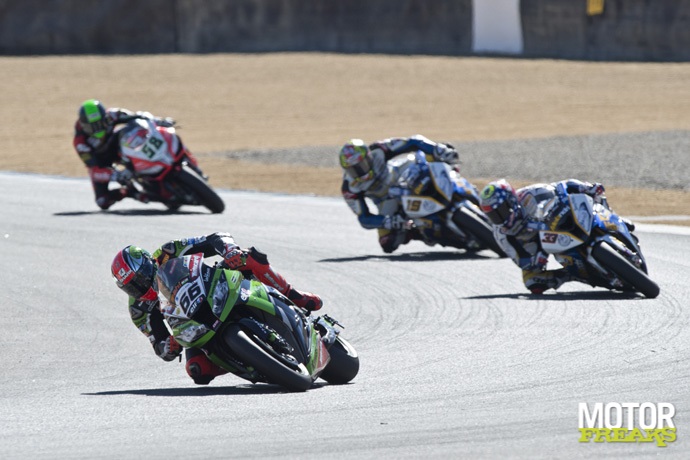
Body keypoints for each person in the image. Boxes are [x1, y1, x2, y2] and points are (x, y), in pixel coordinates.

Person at [110, 232, 323, 385]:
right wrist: (170, 347)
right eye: (131, 286)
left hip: (212, 287)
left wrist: (229, 250)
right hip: (192, 326)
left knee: (248, 257)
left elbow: (213, 239)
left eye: (139, 279)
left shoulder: (168, 252)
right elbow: (159, 345)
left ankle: (294, 295)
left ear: (148, 263)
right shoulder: (139, 310)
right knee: (197, 371)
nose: (139, 287)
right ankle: (254, 364)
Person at [479, 178, 634, 294]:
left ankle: (614, 219)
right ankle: (573, 275)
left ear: (511, 200)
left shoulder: (529, 194)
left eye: (502, 210)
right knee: (532, 281)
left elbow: (561, 186)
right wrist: (535, 261)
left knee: (595, 198)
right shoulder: (501, 234)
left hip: (556, 222)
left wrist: (585, 187)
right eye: (493, 215)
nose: (500, 218)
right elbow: (520, 259)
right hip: (543, 246)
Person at [339, 135, 460, 253]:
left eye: (361, 165)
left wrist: (435, 149)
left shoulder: (379, 149)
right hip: (386, 200)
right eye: (352, 170)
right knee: (387, 243)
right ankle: (419, 230)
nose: (358, 172)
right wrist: (388, 221)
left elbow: (413, 141)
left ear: (369, 157)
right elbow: (364, 219)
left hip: (400, 174)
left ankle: (453, 177)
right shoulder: (349, 188)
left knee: (434, 155)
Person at [73, 98, 181, 210]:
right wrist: (115, 175)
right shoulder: (80, 143)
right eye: (92, 127)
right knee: (102, 201)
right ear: (84, 125)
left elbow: (138, 117)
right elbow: (94, 169)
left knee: (132, 134)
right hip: (102, 161)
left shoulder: (112, 115)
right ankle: (129, 192)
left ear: (105, 117)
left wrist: (158, 121)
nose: (98, 129)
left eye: (101, 123)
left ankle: (158, 163)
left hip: (117, 146)